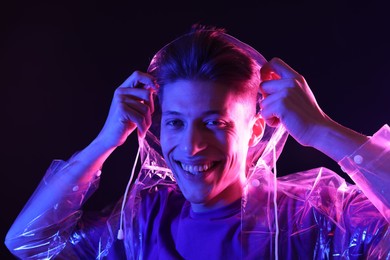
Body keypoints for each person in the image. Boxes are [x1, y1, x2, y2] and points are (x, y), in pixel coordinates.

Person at [5, 24, 390, 259]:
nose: (190, 146)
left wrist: (321, 128)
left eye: (214, 122)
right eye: (175, 122)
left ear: (256, 130)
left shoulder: (310, 218)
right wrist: (104, 141)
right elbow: (28, 243)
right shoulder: (145, 220)